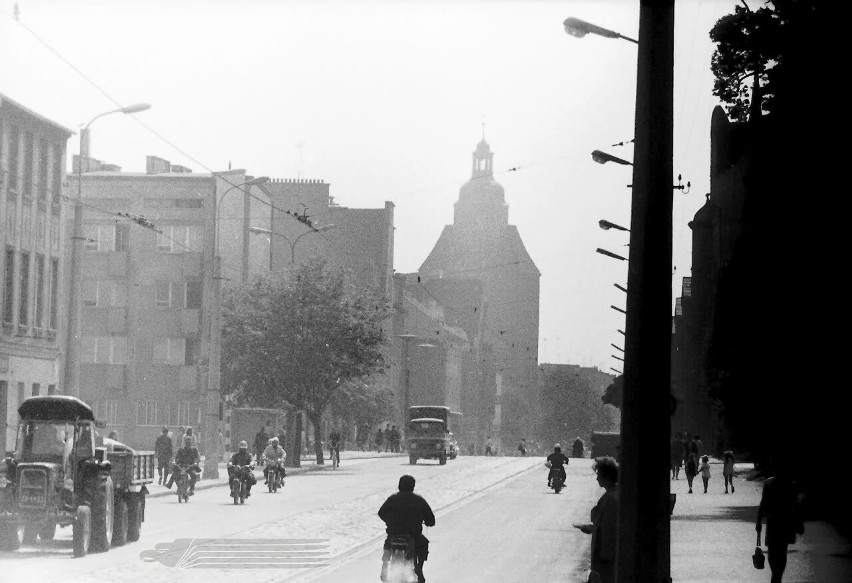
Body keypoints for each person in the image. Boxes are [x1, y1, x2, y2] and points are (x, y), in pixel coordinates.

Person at [378, 475, 435, 583]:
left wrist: (390, 520)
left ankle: (385, 564)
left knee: (388, 544)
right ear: (412, 486)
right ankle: (418, 569)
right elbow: (431, 520)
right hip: (413, 536)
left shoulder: (392, 499)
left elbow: (381, 513)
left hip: (393, 535)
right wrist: (426, 521)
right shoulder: (419, 500)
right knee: (424, 544)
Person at [756, 464, 804, 583]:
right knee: (782, 551)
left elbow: (763, 504)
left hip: (774, 522)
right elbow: (796, 506)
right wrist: (799, 523)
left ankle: (776, 575)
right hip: (786, 522)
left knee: (773, 551)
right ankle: (777, 576)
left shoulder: (769, 483)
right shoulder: (791, 485)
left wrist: (759, 521)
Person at [576, 456, 619, 583]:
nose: (597, 478)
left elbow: (610, 528)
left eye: (599, 475)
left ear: (607, 477)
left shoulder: (611, 498)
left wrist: (606, 554)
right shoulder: (610, 494)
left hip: (606, 556)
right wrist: (592, 528)